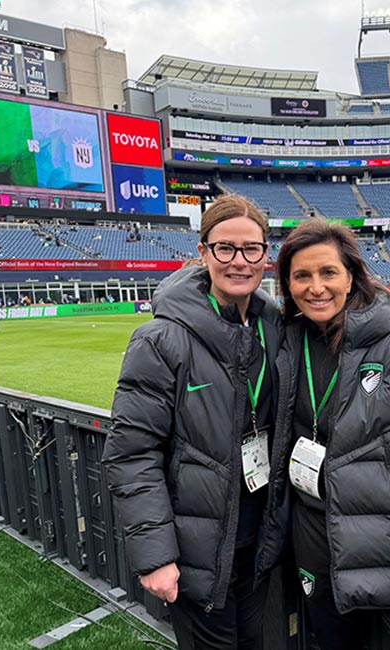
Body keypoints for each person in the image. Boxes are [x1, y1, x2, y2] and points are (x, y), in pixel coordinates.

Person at [264, 218, 390, 650]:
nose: (315, 287)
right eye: (301, 275)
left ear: (351, 276)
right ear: (286, 284)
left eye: (328, 273)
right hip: (316, 545)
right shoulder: (287, 343)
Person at [102, 194, 281, 650]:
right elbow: (131, 453)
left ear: (266, 255)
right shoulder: (160, 340)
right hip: (196, 553)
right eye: (225, 248)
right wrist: (156, 557)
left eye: (251, 249)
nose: (238, 261)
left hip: (256, 545)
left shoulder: (274, 328)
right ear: (202, 252)